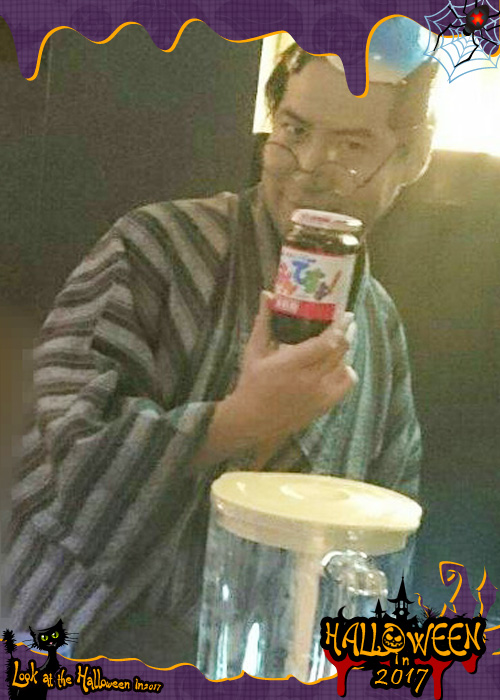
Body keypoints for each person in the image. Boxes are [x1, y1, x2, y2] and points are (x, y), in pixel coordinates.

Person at [5, 20, 437, 666]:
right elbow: (62, 466)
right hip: (84, 639)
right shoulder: (153, 247)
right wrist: (238, 421)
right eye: (294, 132)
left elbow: (384, 527)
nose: (310, 168)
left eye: (351, 145)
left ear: (412, 158)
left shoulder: (379, 326)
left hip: (267, 659)